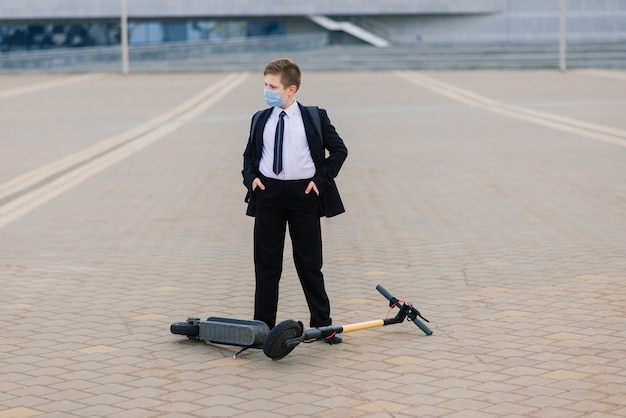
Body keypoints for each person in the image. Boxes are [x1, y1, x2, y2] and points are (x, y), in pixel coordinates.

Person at [242, 58, 348, 344]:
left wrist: (319, 182)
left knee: (309, 262)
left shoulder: (314, 117)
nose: (267, 90)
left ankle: (323, 326)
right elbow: (249, 157)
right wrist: (251, 178)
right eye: (265, 85)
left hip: (304, 196)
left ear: (291, 89)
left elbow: (339, 150)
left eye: (272, 86)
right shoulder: (261, 118)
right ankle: (262, 327)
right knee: (266, 265)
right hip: (269, 195)